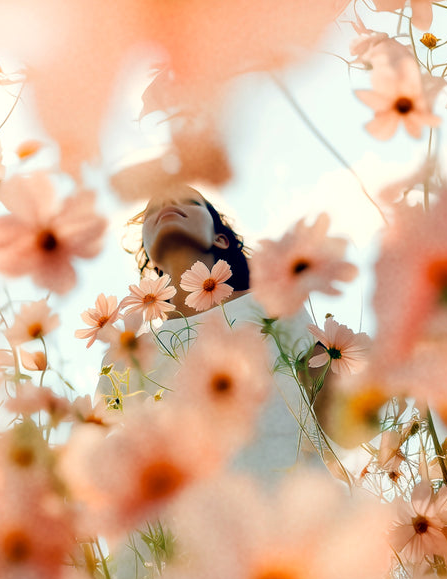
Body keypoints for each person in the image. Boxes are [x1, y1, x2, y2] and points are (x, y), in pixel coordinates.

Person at [110, 185, 343, 480]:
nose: (167, 202)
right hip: (179, 515)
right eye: (152, 211)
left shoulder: (272, 304)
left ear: (220, 238)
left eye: (188, 201)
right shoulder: (133, 349)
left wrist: (346, 365)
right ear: (149, 257)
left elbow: (334, 420)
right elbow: (113, 440)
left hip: (283, 492)